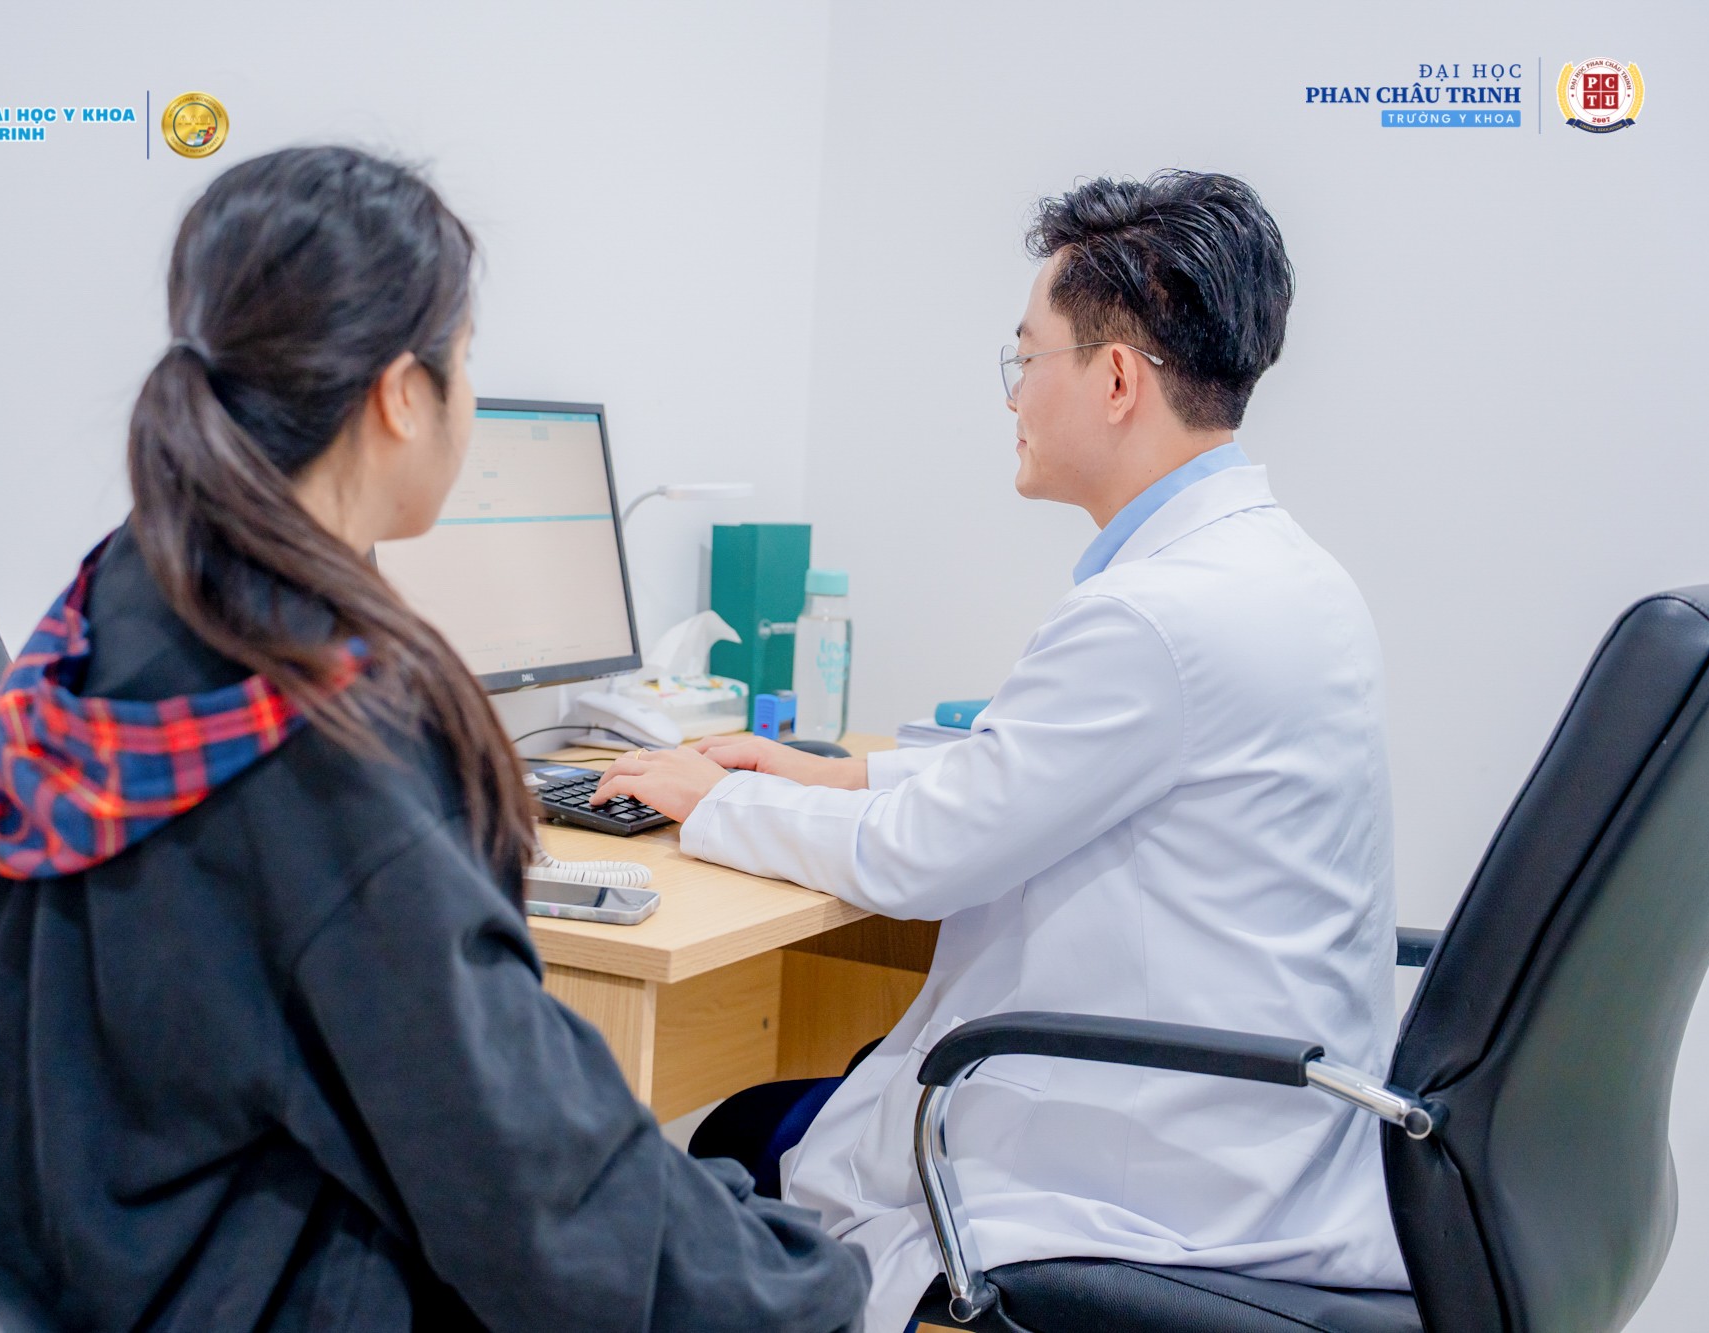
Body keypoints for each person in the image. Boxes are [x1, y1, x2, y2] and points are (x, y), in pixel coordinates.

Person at [0, 146, 868, 1332]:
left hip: (90, 1255)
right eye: (465, 361)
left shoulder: (137, 596)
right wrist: (806, 1289)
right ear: (403, 394)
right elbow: (524, 1176)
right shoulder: (324, 743)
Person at [591, 171, 1409, 1330]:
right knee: (787, 1111)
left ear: (1114, 380)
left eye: (1025, 358)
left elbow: (920, 858)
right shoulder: (1282, 575)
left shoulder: (1152, 616)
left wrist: (702, 800)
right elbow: (1055, 777)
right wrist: (846, 772)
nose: (1014, 394)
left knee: (737, 1146)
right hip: (1269, 1138)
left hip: (1151, 1170)